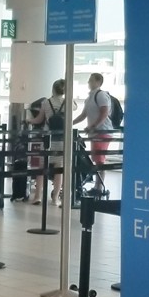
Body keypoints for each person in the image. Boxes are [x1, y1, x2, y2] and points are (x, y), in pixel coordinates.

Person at [26, 78, 69, 206]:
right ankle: (55, 198)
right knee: (58, 170)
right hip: (61, 139)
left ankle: (38, 196)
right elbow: (74, 108)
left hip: (47, 139)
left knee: (41, 168)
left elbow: (39, 120)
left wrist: (29, 120)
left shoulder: (46, 102)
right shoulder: (67, 102)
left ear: (53, 89)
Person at [73, 72, 114, 166]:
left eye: (91, 80)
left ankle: (99, 180)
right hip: (95, 131)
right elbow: (83, 115)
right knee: (96, 158)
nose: (88, 82)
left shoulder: (101, 95)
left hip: (102, 131)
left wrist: (93, 125)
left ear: (98, 82)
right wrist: (70, 123)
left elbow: (104, 113)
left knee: (99, 159)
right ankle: (98, 180)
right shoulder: (89, 98)